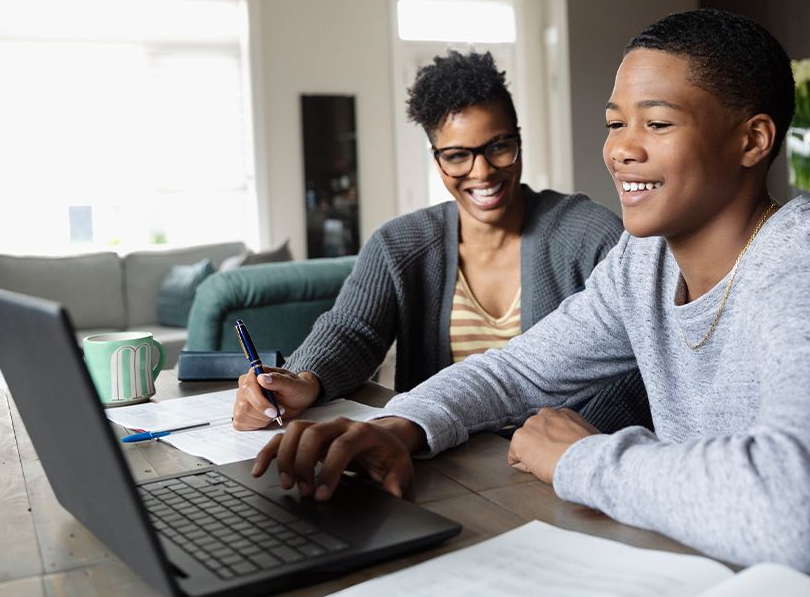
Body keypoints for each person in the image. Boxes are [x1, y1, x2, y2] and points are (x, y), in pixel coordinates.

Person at [249, 9, 810, 597]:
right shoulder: (645, 263)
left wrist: (582, 458)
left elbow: (799, 518)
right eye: (615, 123)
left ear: (752, 140)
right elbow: (515, 371)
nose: (621, 149)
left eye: (658, 122)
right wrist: (403, 427)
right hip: (729, 587)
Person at [233, 49, 648, 434]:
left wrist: (569, 442)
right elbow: (352, 330)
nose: (482, 172)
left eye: (499, 146)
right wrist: (306, 379)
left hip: (554, 464)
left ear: (518, 140)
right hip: (432, 452)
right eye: (456, 155)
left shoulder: (591, 233)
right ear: (436, 158)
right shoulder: (400, 244)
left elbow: (637, 364)